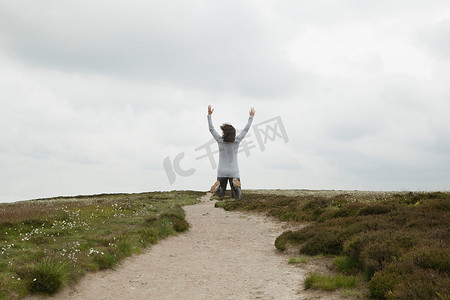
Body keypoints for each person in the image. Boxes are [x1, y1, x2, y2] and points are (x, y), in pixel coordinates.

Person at [207, 105, 255, 200]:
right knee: (237, 197)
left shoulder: (220, 140)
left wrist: (209, 115)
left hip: (221, 171)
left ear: (224, 133)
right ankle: (235, 186)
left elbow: (211, 129)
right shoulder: (237, 141)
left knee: (221, 195)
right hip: (234, 171)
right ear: (234, 133)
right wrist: (251, 117)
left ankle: (218, 189)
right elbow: (246, 129)